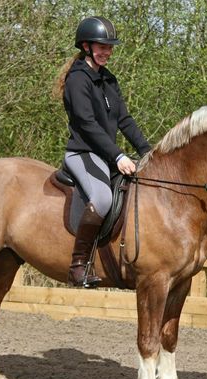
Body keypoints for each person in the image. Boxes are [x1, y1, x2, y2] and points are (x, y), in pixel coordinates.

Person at [54, 16, 151, 288]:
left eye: (110, 47)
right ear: (85, 46)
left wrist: (147, 152)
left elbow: (124, 120)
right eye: (101, 46)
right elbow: (87, 124)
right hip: (82, 152)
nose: (106, 52)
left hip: (104, 154)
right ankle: (78, 265)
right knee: (102, 198)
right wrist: (118, 155)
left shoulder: (108, 79)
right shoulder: (77, 80)